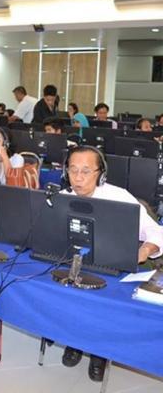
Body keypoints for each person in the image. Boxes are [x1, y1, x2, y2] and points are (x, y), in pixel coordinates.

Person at [60, 145, 163, 381]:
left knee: (102, 299)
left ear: (101, 174)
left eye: (86, 171)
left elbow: (156, 231)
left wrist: (145, 249)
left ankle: (99, 352)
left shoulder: (119, 197)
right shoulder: (62, 197)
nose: (78, 177)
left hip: (113, 267)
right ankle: (73, 340)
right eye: (73, 170)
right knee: (65, 291)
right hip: (74, 263)